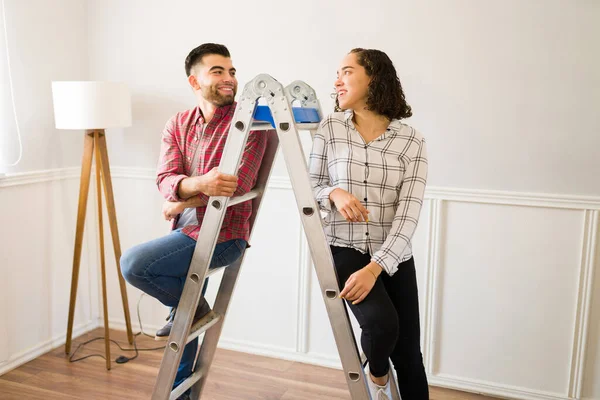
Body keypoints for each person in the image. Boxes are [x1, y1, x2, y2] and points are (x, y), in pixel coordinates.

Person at [120, 43, 267, 399]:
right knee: (183, 310)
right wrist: (200, 186)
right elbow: (165, 180)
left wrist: (182, 198)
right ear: (194, 80)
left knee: (134, 264)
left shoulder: (251, 122)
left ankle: (192, 310)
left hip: (224, 236)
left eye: (231, 71)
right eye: (217, 71)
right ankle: (183, 383)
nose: (229, 78)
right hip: (184, 233)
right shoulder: (178, 123)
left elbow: (237, 186)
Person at [309, 48, 429, 400]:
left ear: (373, 78)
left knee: (409, 356)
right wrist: (335, 193)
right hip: (343, 247)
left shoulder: (412, 142)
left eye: (346, 72)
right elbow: (311, 187)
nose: (337, 81)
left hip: (393, 255)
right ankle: (377, 378)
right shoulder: (329, 128)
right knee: (380, 324)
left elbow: (408, 215)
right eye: (338, 73)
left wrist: (376, 268)